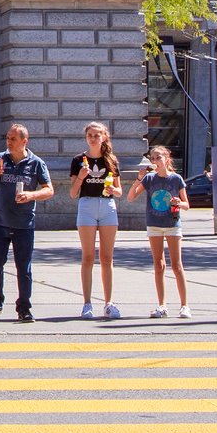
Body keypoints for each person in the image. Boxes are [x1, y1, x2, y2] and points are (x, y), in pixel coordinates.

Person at [0, 124, 53, 322]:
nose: (9, 142)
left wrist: (31, 195)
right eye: (8, 138)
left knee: (24, 267)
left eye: (13, 138)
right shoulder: (0, 159)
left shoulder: (36, 163)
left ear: (24, 142)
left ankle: (24, 307)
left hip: (23, 224)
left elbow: (49, 190)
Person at [129, 145, 190, 318]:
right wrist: (138, 179)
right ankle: (162, 305)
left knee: (177, 265)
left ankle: (184, 305)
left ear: (166, 158)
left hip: (172, 223)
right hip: (154, 223)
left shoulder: (176, 179)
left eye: (158, 157)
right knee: (158, 265)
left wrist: (178, 202)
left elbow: (186, 205)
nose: (155, 161)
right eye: (152, 158)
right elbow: (131, 197)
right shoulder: (149, 179)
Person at [69, 121, 122, 320]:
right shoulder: (78, 160)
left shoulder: (111, 160)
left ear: (104, 137)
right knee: (88, 256)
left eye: (97, 135)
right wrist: (82, 177)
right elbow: (73, 193)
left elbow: (119, 191)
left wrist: (113, 190)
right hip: (87, 206)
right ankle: (87, 303)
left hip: (107, 206)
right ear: (86, 138)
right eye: (90, 135)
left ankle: (109, 303)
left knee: (107, 258)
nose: (93, 138)